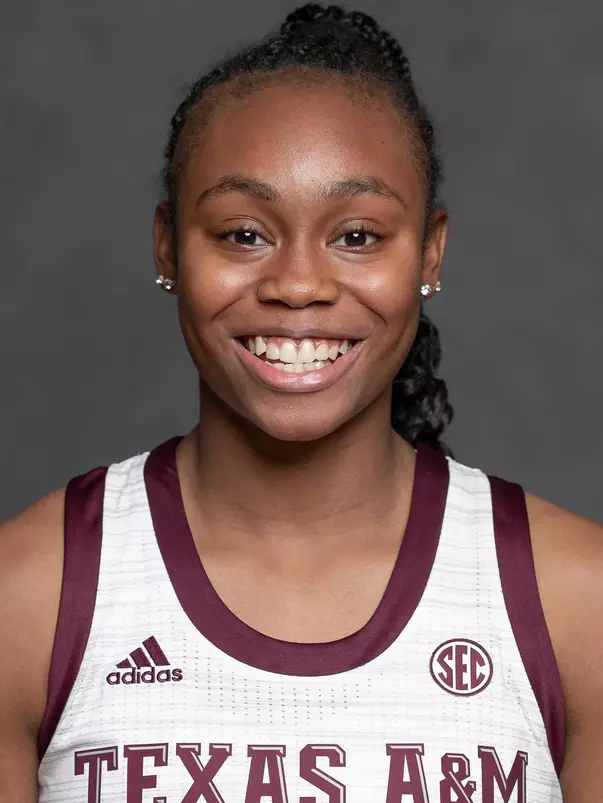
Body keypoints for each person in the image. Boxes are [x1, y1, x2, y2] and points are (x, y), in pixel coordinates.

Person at [1, 4, 601, 801]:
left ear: (428, 252)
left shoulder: (574, 602)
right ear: (167, 246)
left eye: (356, 235)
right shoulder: (32, 593)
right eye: (243, 233)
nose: (298, 286)